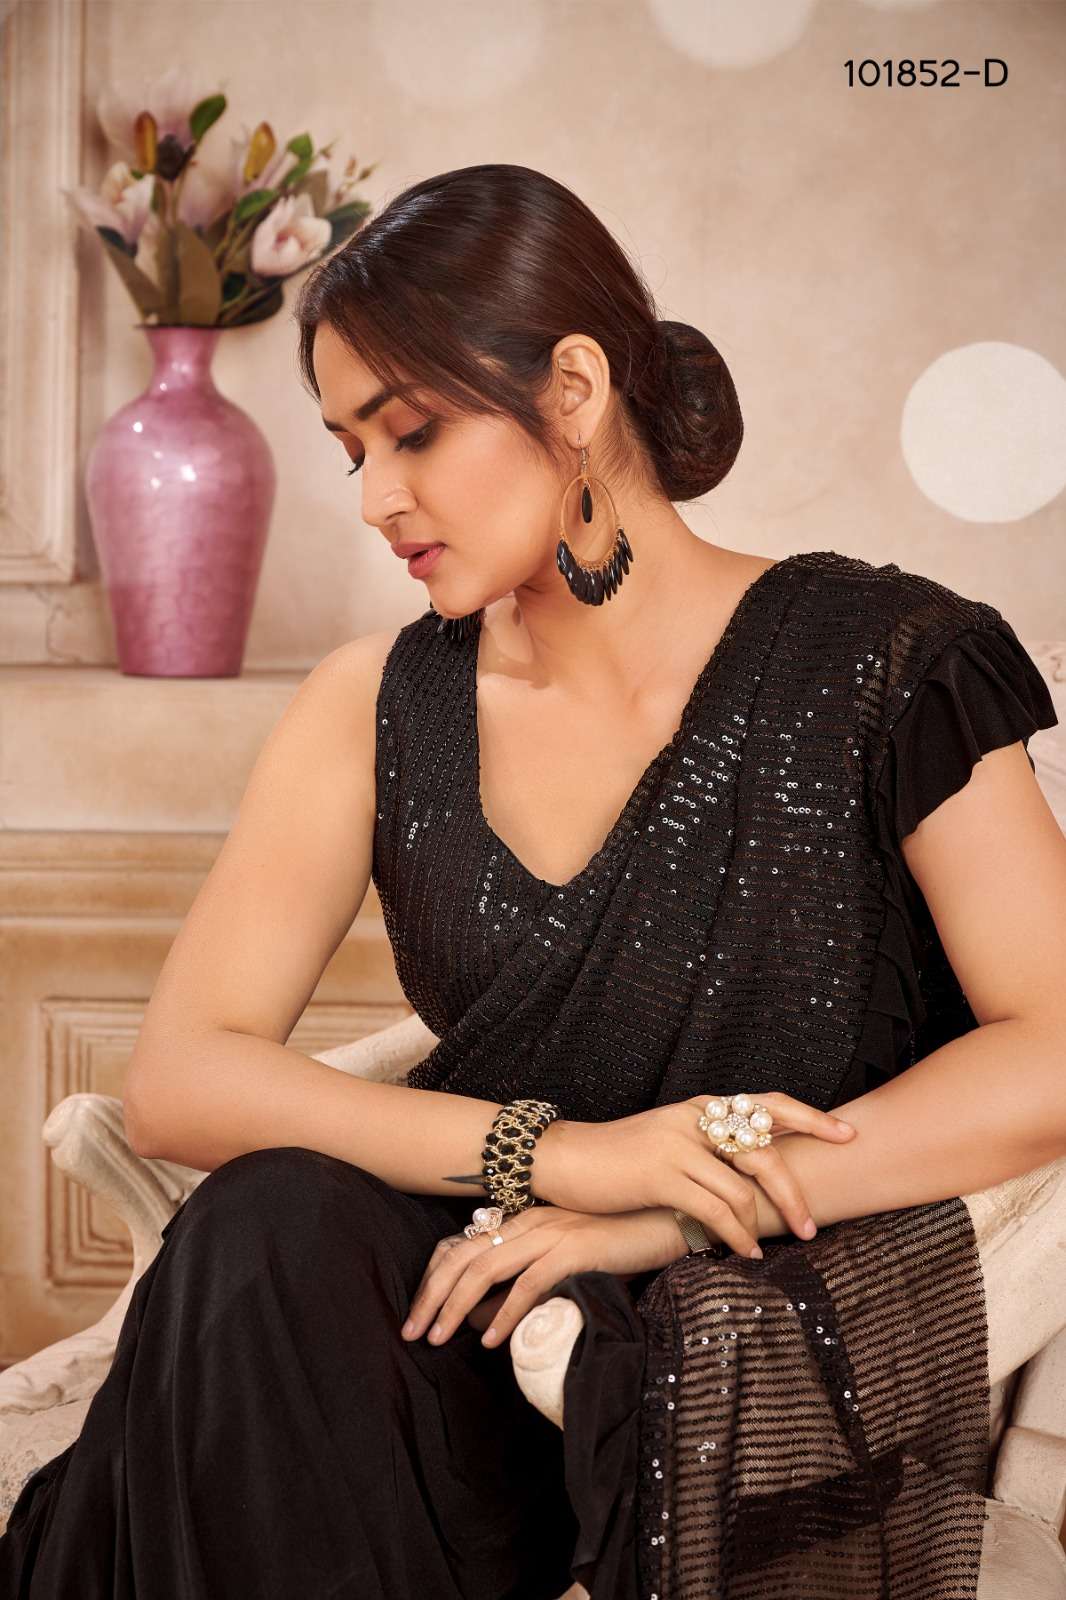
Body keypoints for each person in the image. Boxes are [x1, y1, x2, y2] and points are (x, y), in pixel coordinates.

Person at [2, 161, 1063, 1599]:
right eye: (350, 452)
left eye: (413, 432)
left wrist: (677, 1204)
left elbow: (1053, 1043)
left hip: (740, 1313)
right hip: (458, 1316)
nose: (376, 500)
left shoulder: (886, 665)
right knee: (267, 1233)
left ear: (572, 389)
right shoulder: (374, 704)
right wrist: (561, 1157)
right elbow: (183, 1078)